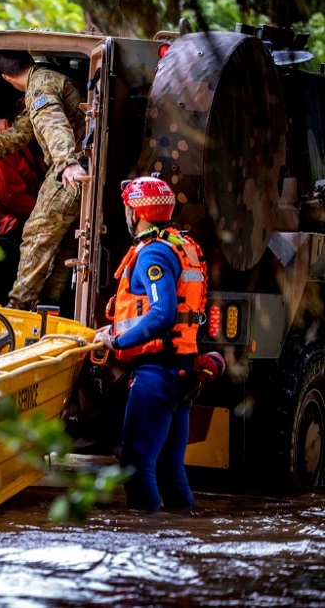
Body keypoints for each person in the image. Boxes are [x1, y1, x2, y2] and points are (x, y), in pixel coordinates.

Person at [93, 173, 218, 512]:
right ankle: (180, 539)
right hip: (180, 370)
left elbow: (162, 314)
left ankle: (145, 549)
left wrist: (116, 339)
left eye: (127, 209)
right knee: (169, 468)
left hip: (156, 371)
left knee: (136, 464)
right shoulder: (181, 245)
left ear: (137, 212)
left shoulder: (153, 255)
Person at [0, 51, 85, 311]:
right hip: (81, 171)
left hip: (72, 170)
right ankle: (48, 307)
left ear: (6, 77)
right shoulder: (46, 79)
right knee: (63, 244)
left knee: (36, 236)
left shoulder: (40, 87)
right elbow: (19, 134)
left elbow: (52, 123)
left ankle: (18, 309)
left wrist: (67, 162)